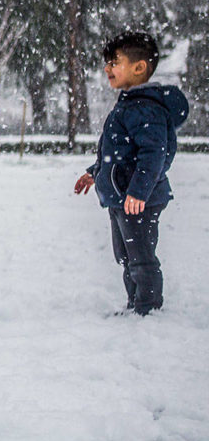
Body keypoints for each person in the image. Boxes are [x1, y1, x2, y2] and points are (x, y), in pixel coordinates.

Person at [74, 31, 188, 316]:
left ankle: (148, 309)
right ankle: (136, 303)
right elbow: (118, 154)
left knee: (141, 258)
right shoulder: (129, 105)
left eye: (114, 62)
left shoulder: (146, 109)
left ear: (139, 67)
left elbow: (154, 155)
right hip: (122, 197)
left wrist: (139, 191)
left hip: (139, 199)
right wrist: (94, 172)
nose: (107, 68)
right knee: (127, 256)